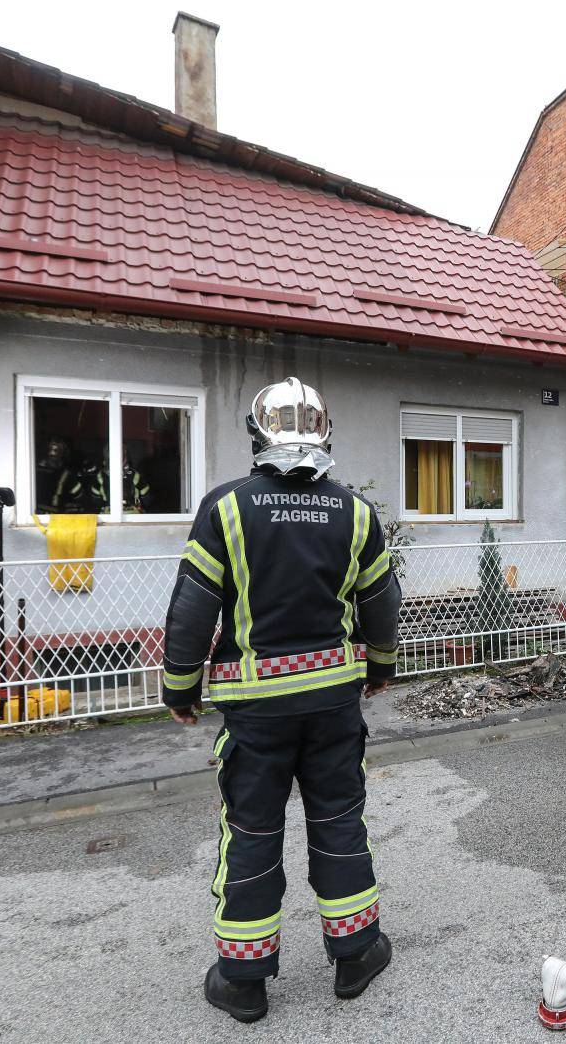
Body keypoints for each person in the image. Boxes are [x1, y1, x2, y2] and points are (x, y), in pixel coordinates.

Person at [160, 376, 401, 1024]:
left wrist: (180, 686)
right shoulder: (355, 513)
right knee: (338, 821)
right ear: (326, 435)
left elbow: (192, 608)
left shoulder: (227, 509)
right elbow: (382, 602)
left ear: (255, 434)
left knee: (253, 831)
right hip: (331, 706)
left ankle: (242, 980)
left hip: (255, 713)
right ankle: (356, 954)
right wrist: (380, 667)